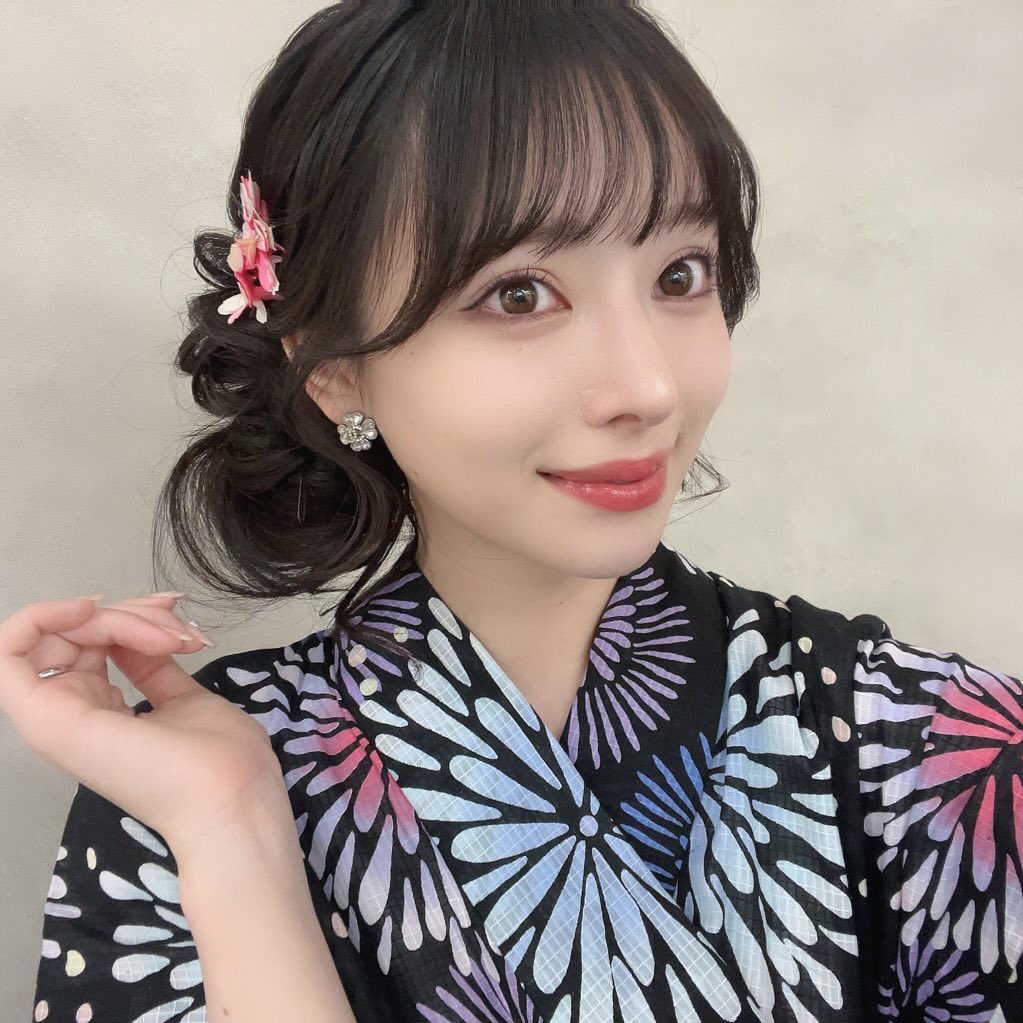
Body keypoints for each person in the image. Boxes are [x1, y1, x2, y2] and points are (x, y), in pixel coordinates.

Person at [3, 3, 1020, 1021]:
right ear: (334, 369)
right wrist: (236, 836)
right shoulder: (183, 794)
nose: (647, 387)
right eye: (520, 295)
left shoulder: (936, 751)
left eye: (680, 274)